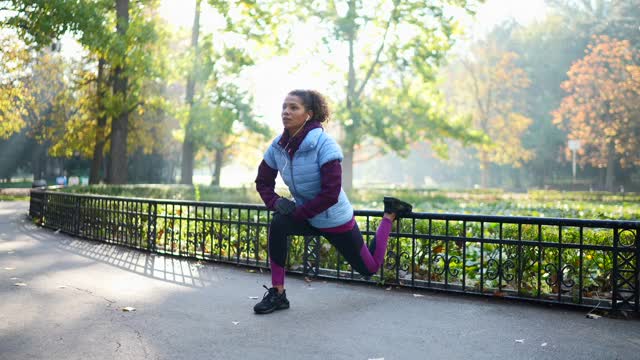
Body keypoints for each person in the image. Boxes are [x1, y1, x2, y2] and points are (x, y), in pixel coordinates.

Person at [253, 89, 412, 314]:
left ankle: (389, 214)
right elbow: (263, 182)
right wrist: (276, 202)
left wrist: (298, 213)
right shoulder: (278, 147)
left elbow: (331, 193)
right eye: (284, 107)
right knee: (278, 223)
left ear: (308, 114)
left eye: (293, 107)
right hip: (307, 215)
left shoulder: (324, 145)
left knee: (370, 269)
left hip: (334, 218)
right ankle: (278, 294)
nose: (286, 112)